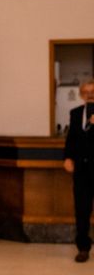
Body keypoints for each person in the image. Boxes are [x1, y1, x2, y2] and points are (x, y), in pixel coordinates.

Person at [64, 79, 94, 263]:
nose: (90, 94)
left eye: (93, 91)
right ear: (82, 95)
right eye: (87, 91)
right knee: (82, 211)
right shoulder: (75, 113)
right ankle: (83, 248)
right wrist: (68, 157)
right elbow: (72, 139)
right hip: (82, 170)